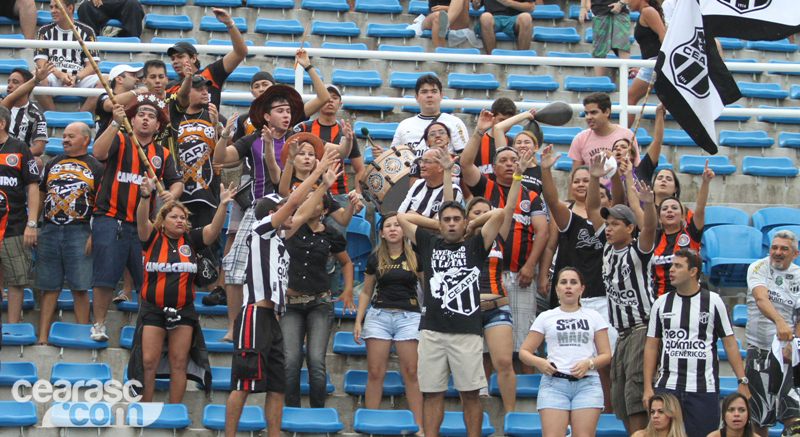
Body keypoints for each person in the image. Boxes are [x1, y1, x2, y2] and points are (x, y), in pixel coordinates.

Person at [225, 158, 339, 437]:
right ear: (272, 213)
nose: (294, 210)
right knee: (243, 383)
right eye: (284, 207)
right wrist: (316, 171)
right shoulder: (261, 230)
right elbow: (293, 205)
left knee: (277, 386)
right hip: (254, 314)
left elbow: (300, 213)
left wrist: (324, 184)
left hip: (274, 317)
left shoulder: (280, 236)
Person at [397, 202, 505, 437]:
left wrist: (473, 224)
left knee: (470, 395)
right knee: (433, 394)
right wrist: (437, 225)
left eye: (457, 219)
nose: (452, 224)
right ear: (440, 223)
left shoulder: (475, 245)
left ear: (464, 222)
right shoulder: (429, 242)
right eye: (447, 220)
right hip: (432, 331)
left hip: (466, 331)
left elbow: (498, 214)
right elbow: (402, 217)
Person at [129, 176, 233, 403]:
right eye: (174, 217)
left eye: (183, 217)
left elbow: (214, 230)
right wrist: (145, 196)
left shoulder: (191, 239)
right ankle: (144, 408)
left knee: (179, 362)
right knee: (148, 362)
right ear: (162, 221)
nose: (179, 220)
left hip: (183, 311)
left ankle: (174, 409)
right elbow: (140, 219)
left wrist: (223, 204)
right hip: (152, 310)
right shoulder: (151, 238)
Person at [89, 94, 183, 341]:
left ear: (158, 126)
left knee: (150, 279)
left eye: (151, 116)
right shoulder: (119, 140)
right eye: (141, 114)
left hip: (144, 226)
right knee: (104, 276)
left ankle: (149, 330)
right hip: (110, 218)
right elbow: (97, 152)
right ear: (132, 119)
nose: (146, 119)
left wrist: (168, 196)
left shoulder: (162, 153)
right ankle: (98, 324)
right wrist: (114, 123)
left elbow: (177, 184)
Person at [215, 85, 304, 341]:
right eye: (280, 110)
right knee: (232, 266)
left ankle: (274, 328)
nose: (286, 115)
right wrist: (223, 136)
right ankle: (235, 327)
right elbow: (221, 158)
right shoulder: (252, 140)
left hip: (289, 207)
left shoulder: (298, 138)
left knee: (279, 271)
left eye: (288, 111)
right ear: (266, 116)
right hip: (258, 210)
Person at [461, 110, 549, 369]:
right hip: (487, 277)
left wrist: (531, 265)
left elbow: (542, 232)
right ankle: (488, 388)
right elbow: (466, 165)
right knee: (489, 341)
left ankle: (522, 390)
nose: (510, 163)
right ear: (494, 166)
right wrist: (479, 132)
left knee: (524, 340)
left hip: (519, 275)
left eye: (514, 159)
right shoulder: (485, 187)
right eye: (504, 160)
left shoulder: (531, 194)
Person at [538, 145, 616, 412]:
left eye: (591, 183)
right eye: (578, 180)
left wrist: (601, 177)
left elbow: (598, 203)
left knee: (606, 363)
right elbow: (551, 200)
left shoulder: (615, 228)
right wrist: (546, 170)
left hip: (606, 301)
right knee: (569, 359)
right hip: (575, 304)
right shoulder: (571, 221)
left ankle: (605, 412)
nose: (584, 185)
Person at [458, 148, 535, 412]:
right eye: (475, 212)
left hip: (497, 307)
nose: (481, 215)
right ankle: (474, 416)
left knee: (503, 362)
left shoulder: (497, 237)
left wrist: (518, 178)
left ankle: (511, 415)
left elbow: (508, 208)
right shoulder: (458, 240)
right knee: (471, 369)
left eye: (485, 212)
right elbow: (448, 206)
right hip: (466, 309)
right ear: (466, 216)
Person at [643, 249, 750, 437]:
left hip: (703, 388)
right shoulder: (661, 303)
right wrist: (647, 387)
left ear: (693, 272)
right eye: (671, 265)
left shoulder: (714, 302)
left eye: (678, 266)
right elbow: (651, 346)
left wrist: (742, 381)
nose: (671, 270)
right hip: (668, 387)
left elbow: (730, 343)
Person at [586, 153, 657, 435]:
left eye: (615, 224)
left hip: (642, 329)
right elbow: (592, 208)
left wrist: (648, 205)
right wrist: (594, 177)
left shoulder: (638, 251)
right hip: (623, 334)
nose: (609, 228)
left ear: (630, 228)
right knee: (621, 401)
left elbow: (650, 227)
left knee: (636, 396)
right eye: (609, 224)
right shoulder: (607, 249)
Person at [282, 164, 356, 409]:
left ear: (324, 209)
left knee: (316, 361)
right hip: (290, 304)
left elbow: (346, 263)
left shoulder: (332, 235)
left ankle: (318, 414)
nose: (309, 204)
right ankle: (290, 412)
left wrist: (346, 291)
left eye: (315, 202)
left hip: (320, 303)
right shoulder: (290, 228)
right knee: (291, 362)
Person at [352, 212, 424, 431]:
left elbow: (429, 290)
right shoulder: (375, 258)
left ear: (404, 230)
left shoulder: (416, 257)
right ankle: (370, 423)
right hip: (379, 316)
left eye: (397, 225)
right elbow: (365, 292)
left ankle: (419, 426)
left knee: (411, 372)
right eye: (388, 226)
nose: (393, 229)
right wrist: (358, 320)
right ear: (381, 233)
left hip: (409, 316)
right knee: (375, 372)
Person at [520, 267, 612, 437]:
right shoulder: (546, 317)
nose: (568, 287)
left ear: (582, 289)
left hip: (588, 384)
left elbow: (606, 355)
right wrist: (540, 362)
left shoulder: (594, 316)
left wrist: (589, 363)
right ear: (556, 289)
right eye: (563, 282)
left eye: (573, 282)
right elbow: (524, 352)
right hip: (554, 384)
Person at [292, 84, 365, 294]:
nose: (330, 100)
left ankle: (328, 298)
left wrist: (356, 194)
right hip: (307, 192)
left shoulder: (346, 134)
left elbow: (359, 169)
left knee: (330, 251)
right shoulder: (304, 128)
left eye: (335, 97)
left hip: (337, 196)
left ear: (340, 104)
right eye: (327, 96)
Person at [35, 122, 102, 345]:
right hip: (50, 229)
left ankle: (83, 336)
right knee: (48, 287)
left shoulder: (97, 166)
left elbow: (102, 204)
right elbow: (41, 193)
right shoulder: (52, 163)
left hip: (80, 230)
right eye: (63, 136)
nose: (65, 139)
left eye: (71, 136)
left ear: (86, 139)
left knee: (80, 287)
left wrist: (94, 234)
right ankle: (42, 338)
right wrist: (34, 224)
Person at [744, 231, 800, 437]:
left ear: (795, 254)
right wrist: (779, 323)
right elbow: (761, 299)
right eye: (774, 247)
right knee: (760, 416)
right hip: (760, 350)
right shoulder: (758, 267)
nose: (777, 252)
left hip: (790, 353)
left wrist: (792, 343)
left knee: (794, 415)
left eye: (784, 249)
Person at [648, 161, 712, 298]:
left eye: (674, 208)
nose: (669, 211)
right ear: (659, 218)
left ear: (683, 216)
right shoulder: (653, 237)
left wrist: (705, 182)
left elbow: (700, 210)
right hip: (658, 300)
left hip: (690, 298)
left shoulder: (691, 234)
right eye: (665, 209)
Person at [0, 106, 39, 325]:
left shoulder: (19, 147)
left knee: (16, 280)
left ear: (2, 123)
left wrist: (32, 223)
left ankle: (12, 328)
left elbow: (33, 186)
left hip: (14, 225)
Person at [164, 8, 247, 110]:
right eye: (172, 59)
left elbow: (240, 52)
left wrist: (229, 23)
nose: (175, 62)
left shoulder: (211, 73)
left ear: (193, 58)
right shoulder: (169, 88)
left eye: (180, 57)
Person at [34, 0, 101, 113]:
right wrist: (60, 75)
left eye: (57, 7)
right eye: (51, 7)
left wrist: (76, 78)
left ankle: (81, 116)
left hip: (79, 78)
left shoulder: (87, 31)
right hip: (54, 76)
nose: (52, 11)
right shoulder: (44, 31)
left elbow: (92, 66)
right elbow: (41, 62)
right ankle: (53, 115)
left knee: (106, 80)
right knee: (35, 77)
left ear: (70, 8)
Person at [383, 75, 468, 161]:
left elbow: (465, 158)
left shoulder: (455, 122)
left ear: (441, 96)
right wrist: (380, 156)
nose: (429, 95)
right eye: (424, 92)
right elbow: (393, 158)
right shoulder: (404, 125)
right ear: (416, 97)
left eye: (434, 91)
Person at [569, 93, 640, 175]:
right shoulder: (580, 139)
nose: (588, 117)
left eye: (593, 113)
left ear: (607, 112)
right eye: (586, 113)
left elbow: (637, 169)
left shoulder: (627, 135)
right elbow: (575, 176)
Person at [398, 147, 465, 229]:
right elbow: (400, 216)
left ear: (441, 167)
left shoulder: (454, 190)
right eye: (421, 161)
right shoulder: (417, 184)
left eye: (427, 162)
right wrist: (431, 222)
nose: (421, 166)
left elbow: (442, 227)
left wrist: (411, 216)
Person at [626, 0, 665, 127]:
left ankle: (621, 135)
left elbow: (662, 34)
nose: (626, 2)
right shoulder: (645, 12)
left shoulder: (648, 11)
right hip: (651, 62)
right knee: (630, 97)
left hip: (655, 62)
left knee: (630, 97)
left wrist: (666, 60)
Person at [1, 65, 51, 160]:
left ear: (27, 87)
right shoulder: (2, 104)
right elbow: (8, 101)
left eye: (15, 82)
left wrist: (16, 156)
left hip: (19, 158)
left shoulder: (36, 115)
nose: (9, 85)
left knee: (37, 162)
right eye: (9, 82)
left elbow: (39, 147)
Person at [491, 108, 542, 194]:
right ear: (514, 147)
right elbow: (498, 128)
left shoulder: (541, 171)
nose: (522, 145)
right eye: (519, 142)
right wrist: (525, 115)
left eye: (527, 142)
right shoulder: (508, 164)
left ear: (536, 147)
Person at [579, 0, 631, 77]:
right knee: (599, 50)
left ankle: (625, 83)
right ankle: (600, 85)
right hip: (599, 10)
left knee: (623, 47)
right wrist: (583, 7)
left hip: (621, 10)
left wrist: (621, 3)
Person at [472, 98, 519, 176]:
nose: (504, 125)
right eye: (501, 121)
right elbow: (465, 170)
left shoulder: (514, 144)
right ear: (492, 118)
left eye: (508, 122)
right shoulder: (477, 142)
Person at [95, 64, 141, 139]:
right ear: (119, 79)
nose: (137, 79)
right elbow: (110, 104)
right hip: (108, 147)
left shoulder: (136, 101)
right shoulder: (105, 97)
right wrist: (136, 92)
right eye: (133, 75)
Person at [77, 0, 144, 38]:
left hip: (123, 3)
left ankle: (131, 41)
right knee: (85, 6)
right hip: (100, 3)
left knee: (134, 4)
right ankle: (90, 40)